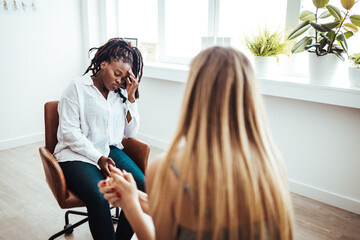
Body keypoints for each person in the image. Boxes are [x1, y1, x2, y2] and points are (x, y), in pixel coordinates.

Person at [98, 46, 294, 240]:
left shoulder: (171, 168)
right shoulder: (272, 165)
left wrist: (131, 205)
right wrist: (135, 196)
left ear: (193, 94)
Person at [53, 37, 144, 240]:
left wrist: (131, 99)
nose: (118, 81)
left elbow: (131, 133)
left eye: (123, 77)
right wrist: (98, 158)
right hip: (74, 154)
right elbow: (69, 133)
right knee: (99, 197)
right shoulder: (77, 88)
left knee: (141, 185)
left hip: (107, 149)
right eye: (116, 73)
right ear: (103, 64)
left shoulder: (120, 94)